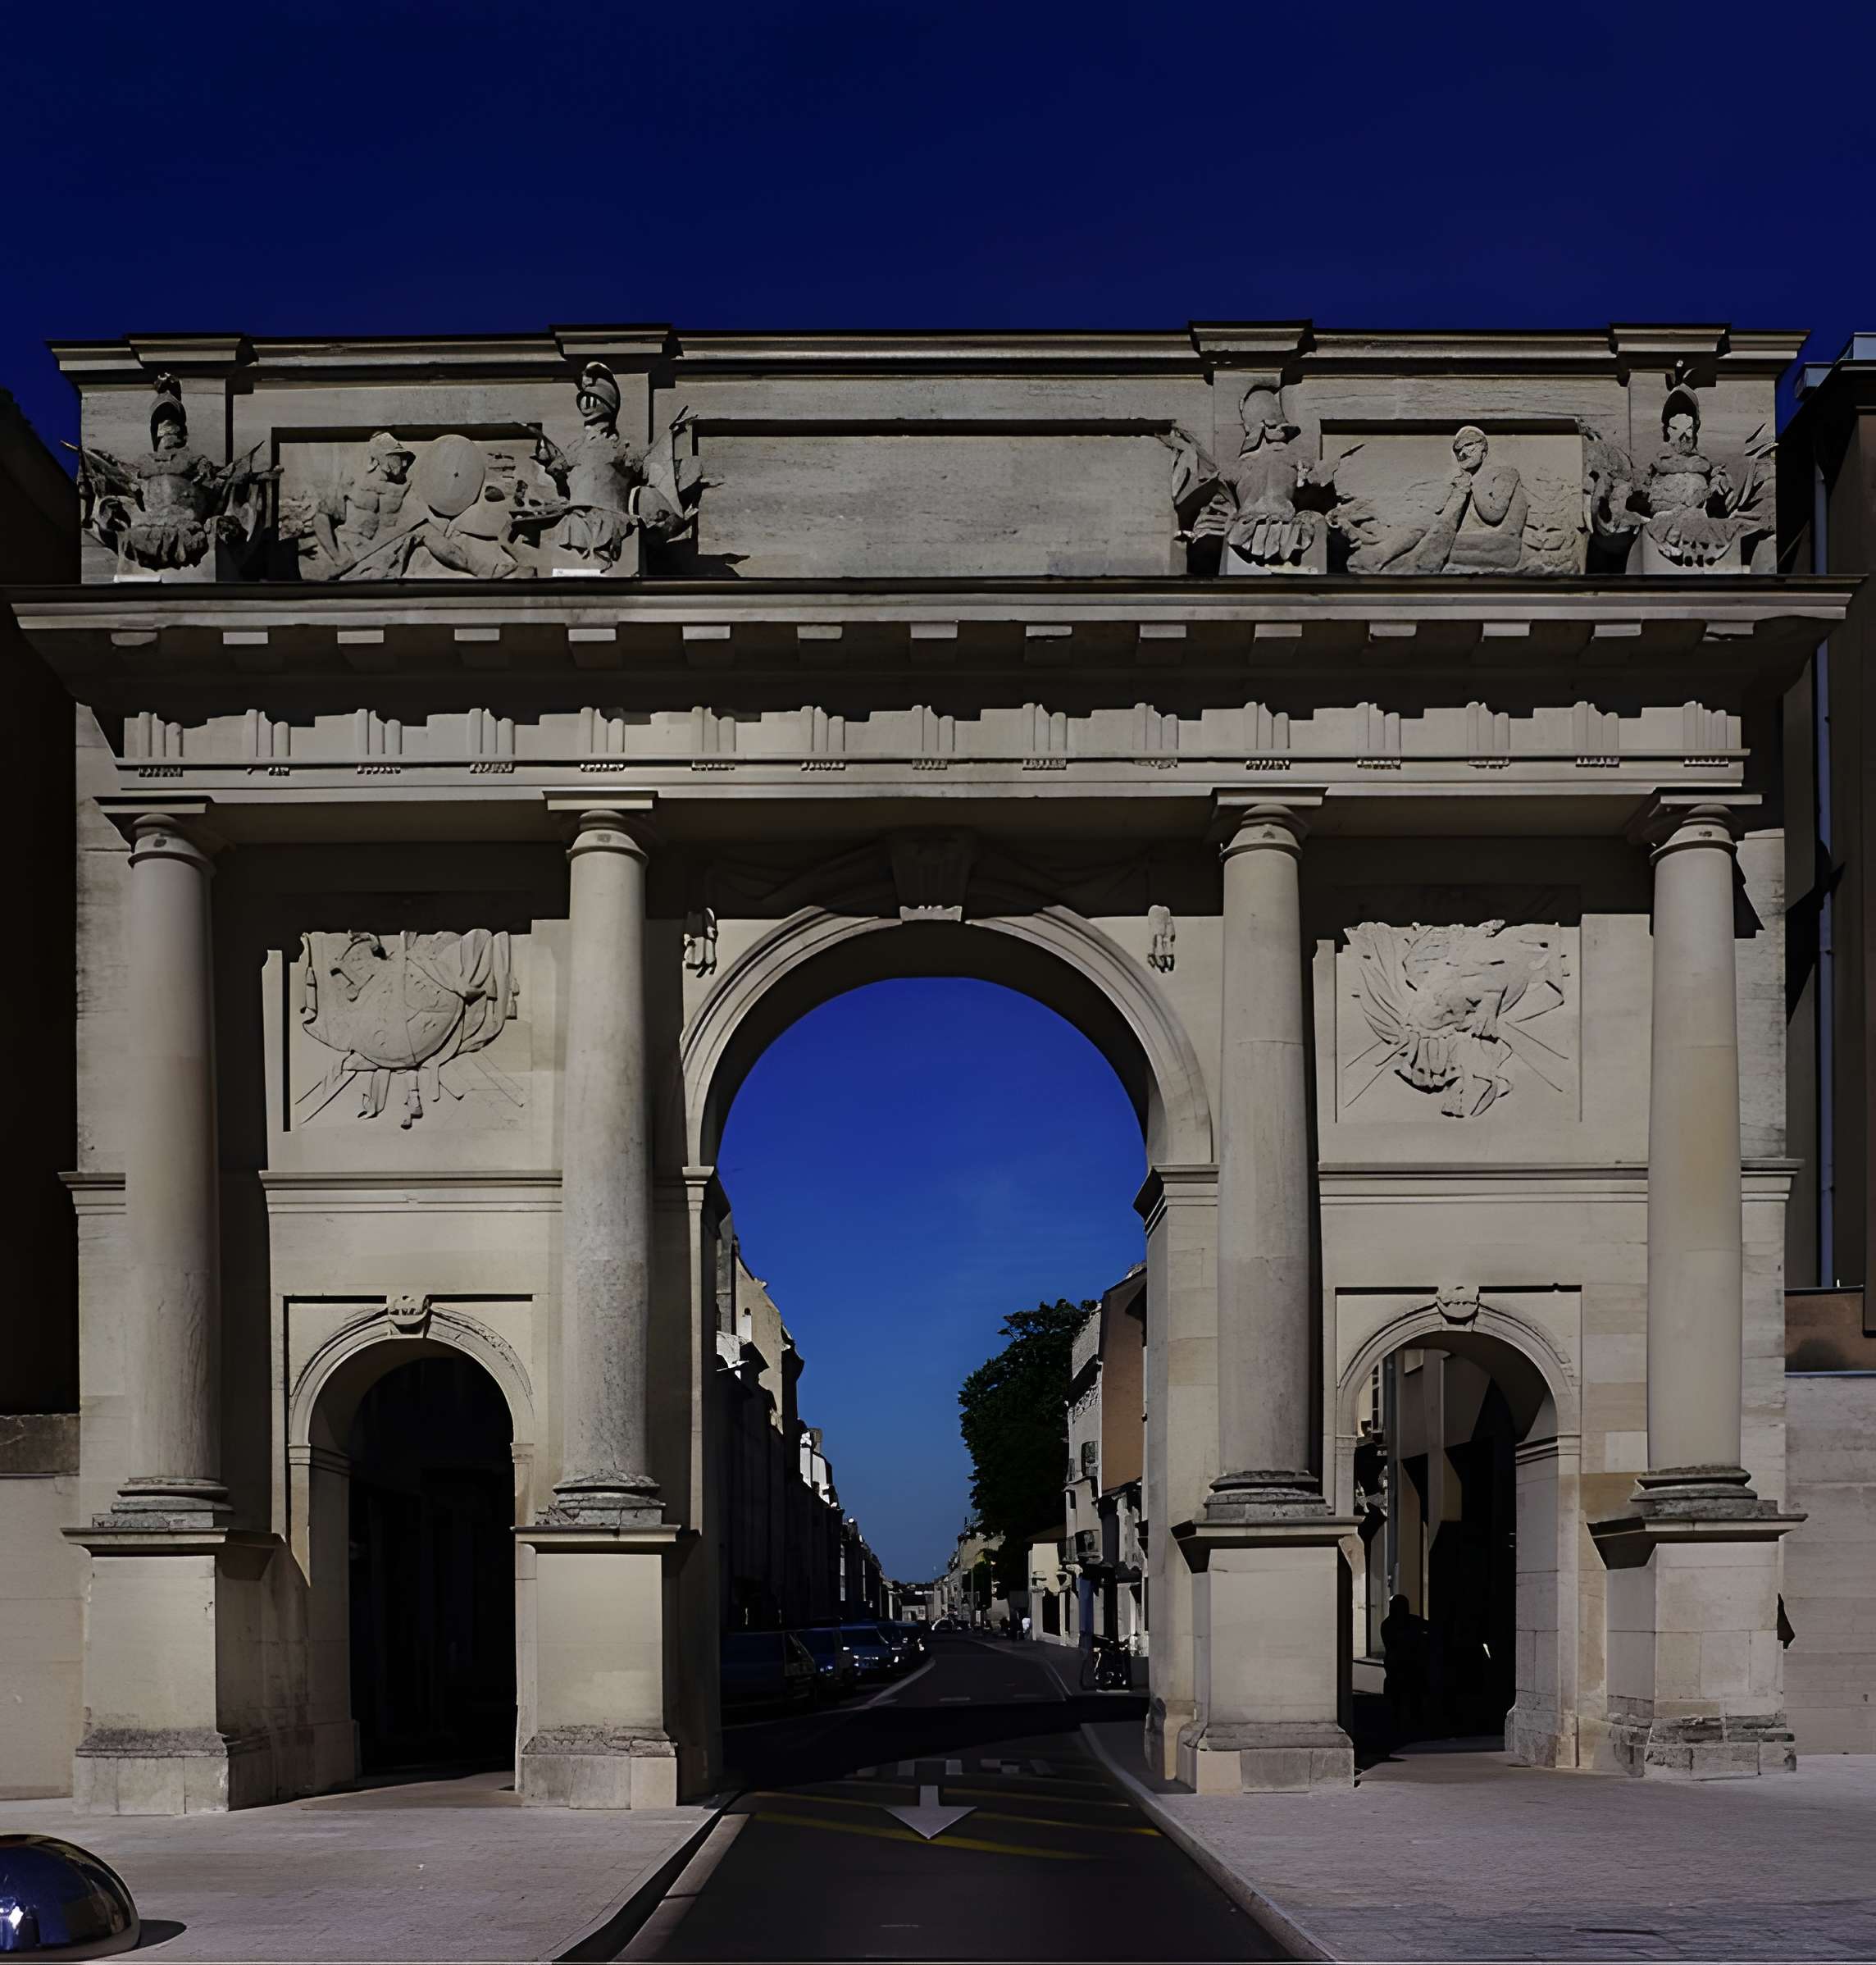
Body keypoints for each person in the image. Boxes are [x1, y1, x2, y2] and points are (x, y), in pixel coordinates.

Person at [1379, 1592, 1429, 1743]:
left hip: (1405, 1666)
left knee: (1411, 1696)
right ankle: (1405, 1723)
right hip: (1400, 1666)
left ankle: (1408, 1722)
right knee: (1404, 1696)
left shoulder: (1393, 1624)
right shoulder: (1393, 1624)